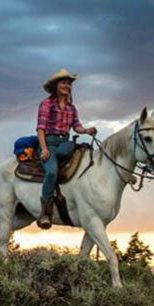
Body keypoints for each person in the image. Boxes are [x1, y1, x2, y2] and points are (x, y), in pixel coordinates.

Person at [35, 69, 97, 228]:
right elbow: (41, 128)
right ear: (56, 86)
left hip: (64, 142)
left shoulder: (71, 108)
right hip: (49, 142)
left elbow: (76, 126)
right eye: (63, 82)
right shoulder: (47, 104)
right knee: (51, 172)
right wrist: (43, 148)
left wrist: (87, 130)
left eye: (69, 83)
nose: (67, 86)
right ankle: (45, 212)